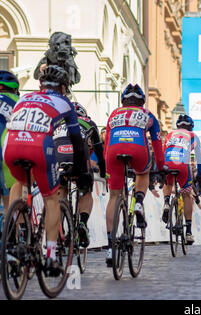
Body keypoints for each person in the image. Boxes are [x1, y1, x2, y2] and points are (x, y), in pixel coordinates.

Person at [4, 65, 85, 275]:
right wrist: (80, 168)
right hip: (38, 147)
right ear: (64, 87)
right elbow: (76, 140)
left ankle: (17, 238)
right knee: (51, 198)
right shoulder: (65, 102)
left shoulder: (23, 98)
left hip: (11, 146)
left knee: (20, 184)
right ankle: (50, 257)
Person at [104, 83, 164, 266]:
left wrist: (106, 167)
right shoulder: (148, 115)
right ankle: (138, 202)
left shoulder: (114, 114)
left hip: (113, 152)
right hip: (138, 149)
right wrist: (161, 167)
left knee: (114, 196)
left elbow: (106, 143)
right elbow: (157, 144)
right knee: (142, 172)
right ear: (142, 102)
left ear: (123, 101)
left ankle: (110, 246)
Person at [53, 101, 106, 247]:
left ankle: (58, 229)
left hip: (58, 157)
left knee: (60, 191)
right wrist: (103, 170)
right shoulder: (89, 122)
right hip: (79, 158)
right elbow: (99, 152)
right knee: (86, 191)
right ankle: (82, 223)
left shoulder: (57, 122)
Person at [161, 114, 201, 245]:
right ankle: (189, 232)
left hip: (168, 162)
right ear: (191, 127)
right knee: (186, 196)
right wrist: (199, 176)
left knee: (167, 184)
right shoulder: (193, 135)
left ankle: (167, 202)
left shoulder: (170, 134)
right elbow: (199, 160)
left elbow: (163, 152)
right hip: (183, 165)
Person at [0, 70, 20, 211]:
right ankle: (12, 227)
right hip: (6, 154)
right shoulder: (19, 103)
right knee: (11, 203)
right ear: (15, 90)